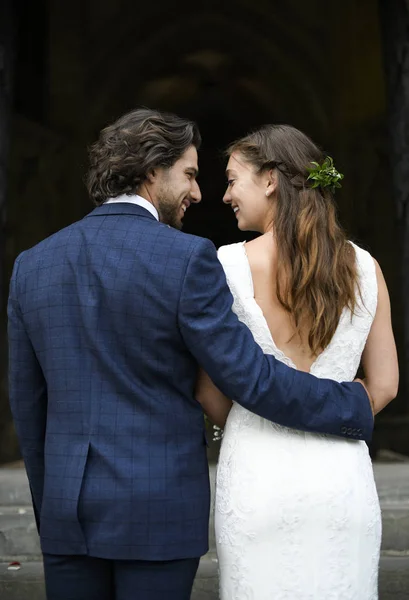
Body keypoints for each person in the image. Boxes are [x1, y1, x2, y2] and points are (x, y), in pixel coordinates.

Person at [8, 109, 375, 600]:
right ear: (151, 172)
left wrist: (51, 509)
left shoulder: (31, 265)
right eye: (190, 175)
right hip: (159, 511)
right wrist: (352, 405)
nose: (199, 194)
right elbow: (250, 378)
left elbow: (28, 406)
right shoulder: (186, 258)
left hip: (66, 512)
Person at [196, 124, 399, 599]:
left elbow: (208, 389)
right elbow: (385, 385)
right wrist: (329, 417)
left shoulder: (224, 265)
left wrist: (249, 423)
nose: (225, 196)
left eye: (231, 179)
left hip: (255, 474)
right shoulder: (366, 267)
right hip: (341, 478)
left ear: (270, 180)